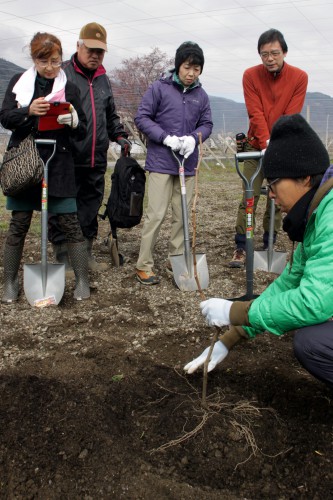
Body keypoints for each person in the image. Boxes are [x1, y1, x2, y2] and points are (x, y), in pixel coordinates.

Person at [184, 113, 333, 389]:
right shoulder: (316, 215)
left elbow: (314, 302)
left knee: (313, 343)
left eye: (274, 183)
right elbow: (290, 283)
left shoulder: (331, 216)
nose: (271, 194)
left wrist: (236, 311)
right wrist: (231, 337)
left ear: (304, 178)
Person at [0, 32, 90, 303]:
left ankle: (83, 281)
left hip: (59, 161)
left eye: (55, 61)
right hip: (26, 162)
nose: (50, 67)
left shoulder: (70, 87)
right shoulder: (19, 83)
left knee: (70, 223)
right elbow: (5, 117)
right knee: (19, 223)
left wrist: (73, 120)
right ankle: (10, 283)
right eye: (44, 61)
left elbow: (82, 128)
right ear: (34, 59)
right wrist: (28, 111)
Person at [48, 22, 131, 272]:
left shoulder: (104, 79)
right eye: (91, 50)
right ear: (78, 46)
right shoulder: (62, 74)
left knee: (90, 206)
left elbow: (110, 115)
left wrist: (119, 136)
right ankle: (63, 256)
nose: (95, 55)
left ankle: (85, 256)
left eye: (100, 51)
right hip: (66, 157)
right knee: (62, 207)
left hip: (96, 158)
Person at [134, 41, 213, 285]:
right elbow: (142, 117)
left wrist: (194, 138)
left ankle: (175, 258)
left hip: (187, 164)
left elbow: (207, 124)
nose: (191, 73)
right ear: (178, 65)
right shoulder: (159, 88)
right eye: (188, 67)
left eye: (196, 69)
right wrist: (164, 137)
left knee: (182, 216)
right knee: (156, 214)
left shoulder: (201, 95)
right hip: (160, 162)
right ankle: (144, 265)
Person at [229, 28, 308, 268]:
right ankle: (242, 245)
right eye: (264, 54)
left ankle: (269, 241)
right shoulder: (250, 75)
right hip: (256, 145)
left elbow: (291, 113)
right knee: (249, 195)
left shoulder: (299, 77)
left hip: (282, 145)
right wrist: (265, 143)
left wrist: (277, 143)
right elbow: (255, 112)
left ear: (284, 52)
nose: (270, 58)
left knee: (277, 195)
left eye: (274, 53)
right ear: (259, 55)